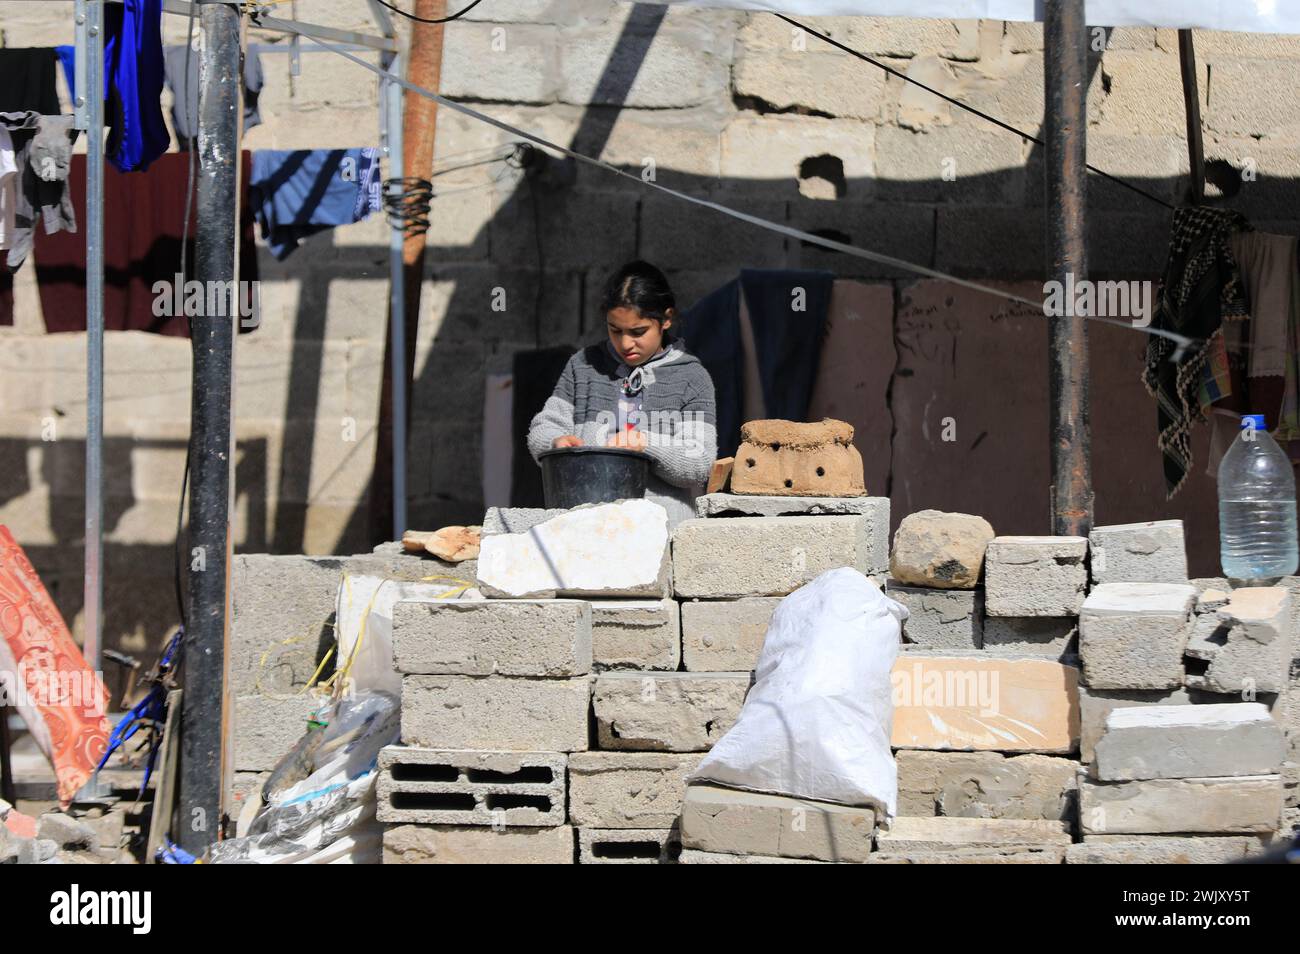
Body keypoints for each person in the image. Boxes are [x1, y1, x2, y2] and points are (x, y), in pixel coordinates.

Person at [527, 260, 718, 526]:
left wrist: (645, 444)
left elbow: (700, 462)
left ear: (666, 319)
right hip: (584, 527)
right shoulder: (583, 367)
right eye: (614, 330)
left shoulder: (691, 378)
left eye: (638, 332)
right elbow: (542, 428)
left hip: (658, 534)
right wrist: (556, 443)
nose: (626, 343)